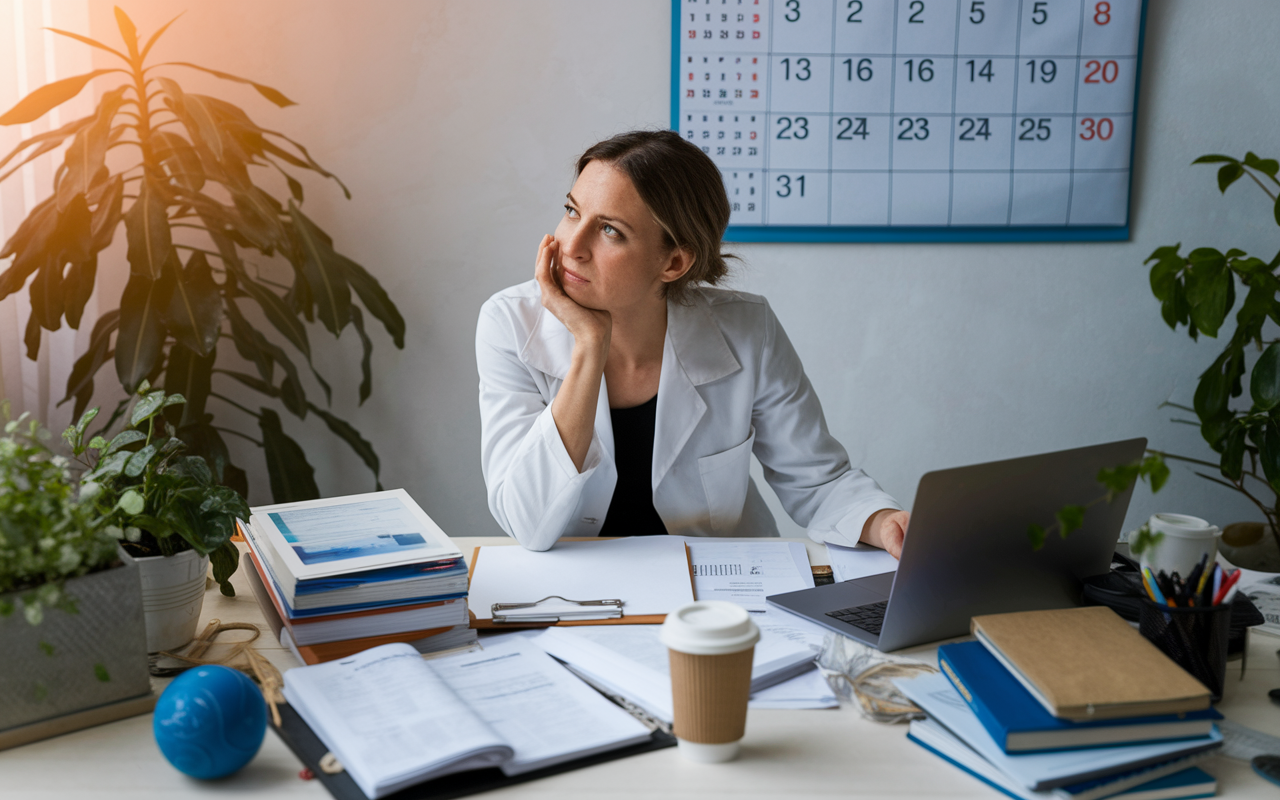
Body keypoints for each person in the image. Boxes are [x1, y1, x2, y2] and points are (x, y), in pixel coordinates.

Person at [476, 130, 909, 554]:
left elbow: (819, 481)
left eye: (609, 230)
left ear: (674, 262)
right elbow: (527, 522)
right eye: (572, 211)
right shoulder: (510, 323)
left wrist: (886, 521)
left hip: (721, 592)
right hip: (577, 595)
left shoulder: (746, 329)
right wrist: (590, 347)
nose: (572, 245)